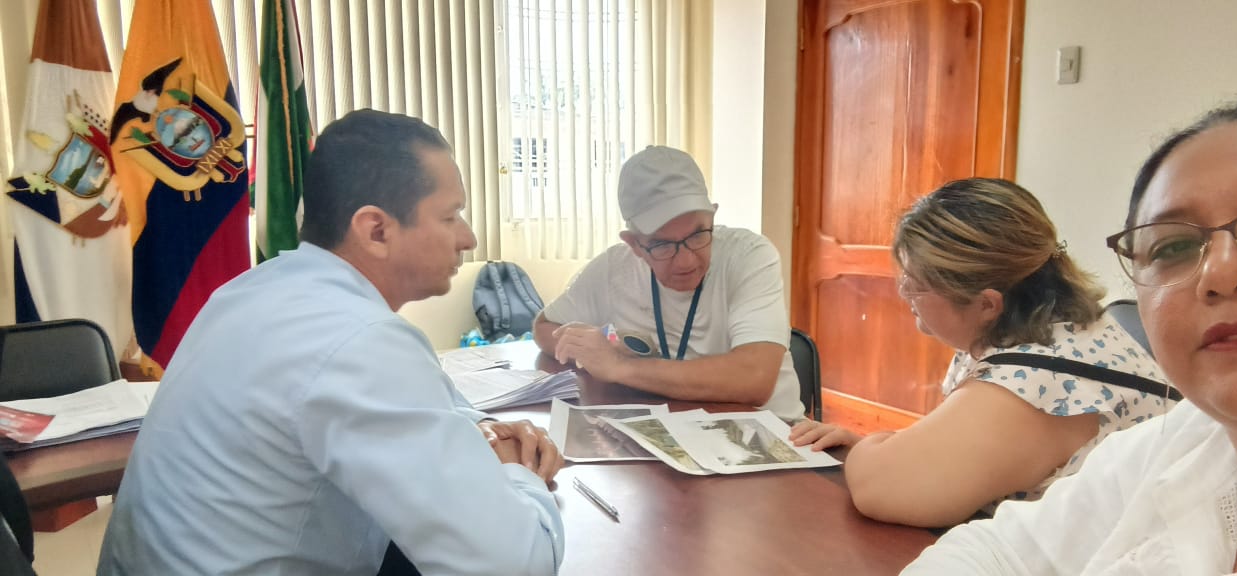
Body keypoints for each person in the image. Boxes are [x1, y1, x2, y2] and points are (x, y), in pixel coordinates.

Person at [97, 110, 565, 575]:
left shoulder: (248, 292)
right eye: (450, 216)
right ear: (376, 230)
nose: (468, 238)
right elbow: (512, 565)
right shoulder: (360, 340)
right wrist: (520, 475)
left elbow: (424, 405)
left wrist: (484, 429)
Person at [903, 95, 1237, 574]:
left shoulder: (1035, 373)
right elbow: (995, 549)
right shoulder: (1179, 442)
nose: (1220, 273)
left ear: (986, 302)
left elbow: (896, 485)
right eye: (1172, 246)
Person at [789, 178, 1174, 528]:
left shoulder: (1038, 381)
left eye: (915, 284)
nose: (905, 295)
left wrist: (876, 452)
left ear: (987, 304)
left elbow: (879, 487)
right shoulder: (1071, 328)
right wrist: (876, 446)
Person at [532, 145, 804, 420]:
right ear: (634, 244)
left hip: (773, 428)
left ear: (712, 216)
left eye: (698, 234)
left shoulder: (749, 255)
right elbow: (544, 326)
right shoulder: (614, 268)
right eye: (662, 244)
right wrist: (601, 343)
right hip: (669, 427)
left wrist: (620, 366)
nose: (686, 261)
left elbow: (754, 379)